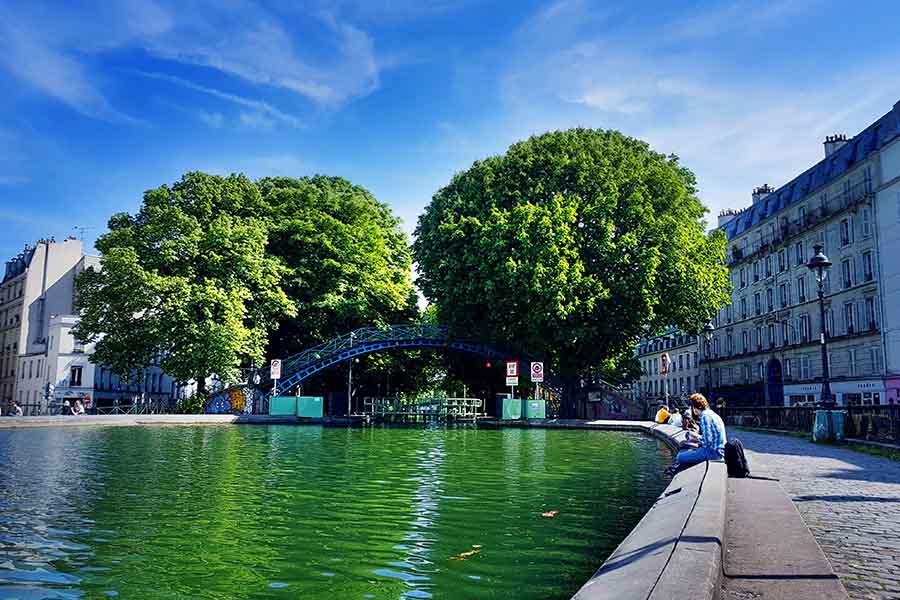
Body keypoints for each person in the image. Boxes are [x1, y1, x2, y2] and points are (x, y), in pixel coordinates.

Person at [665, 393, 726, 476]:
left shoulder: (704, 416)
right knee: (687, 448)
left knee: (680, 456)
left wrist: (696, 438)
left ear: (695, 407)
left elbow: (707, 442)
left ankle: (674, 469)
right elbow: (710, 438)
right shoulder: (711, 413)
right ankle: (676, 469)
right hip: (720, 451)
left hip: (713, 453)